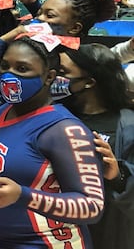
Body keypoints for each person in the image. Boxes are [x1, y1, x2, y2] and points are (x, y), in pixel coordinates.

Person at [0, 37, 105, 248]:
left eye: (22, 68)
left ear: (49, 77)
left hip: (42, 242)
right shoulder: (2, 109)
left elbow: (92, 206)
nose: (9, 75)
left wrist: (24, 195)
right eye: (5, 66)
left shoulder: (65, 130)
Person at [55, 43, 134, 248]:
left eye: (63, 72)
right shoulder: (53, 114)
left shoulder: (128, 125)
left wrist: (118, 175)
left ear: (89, 82)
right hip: (57, 230)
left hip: (107, 233)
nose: (55, 77)